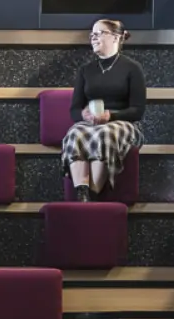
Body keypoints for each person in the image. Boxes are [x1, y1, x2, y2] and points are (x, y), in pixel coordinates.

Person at [59, 17, 147, 201]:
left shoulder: (132, 68)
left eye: (99, 33)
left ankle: (93, 192)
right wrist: (83, 115)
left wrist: (111, 115)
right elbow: (74, 109)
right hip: (91, 123)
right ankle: (82, 192)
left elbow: (137, 110)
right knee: (75, 133)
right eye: (92, 34)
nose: (93, 37)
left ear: (116, 37)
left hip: (122, 123)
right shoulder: (86, 70)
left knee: (105, 133)